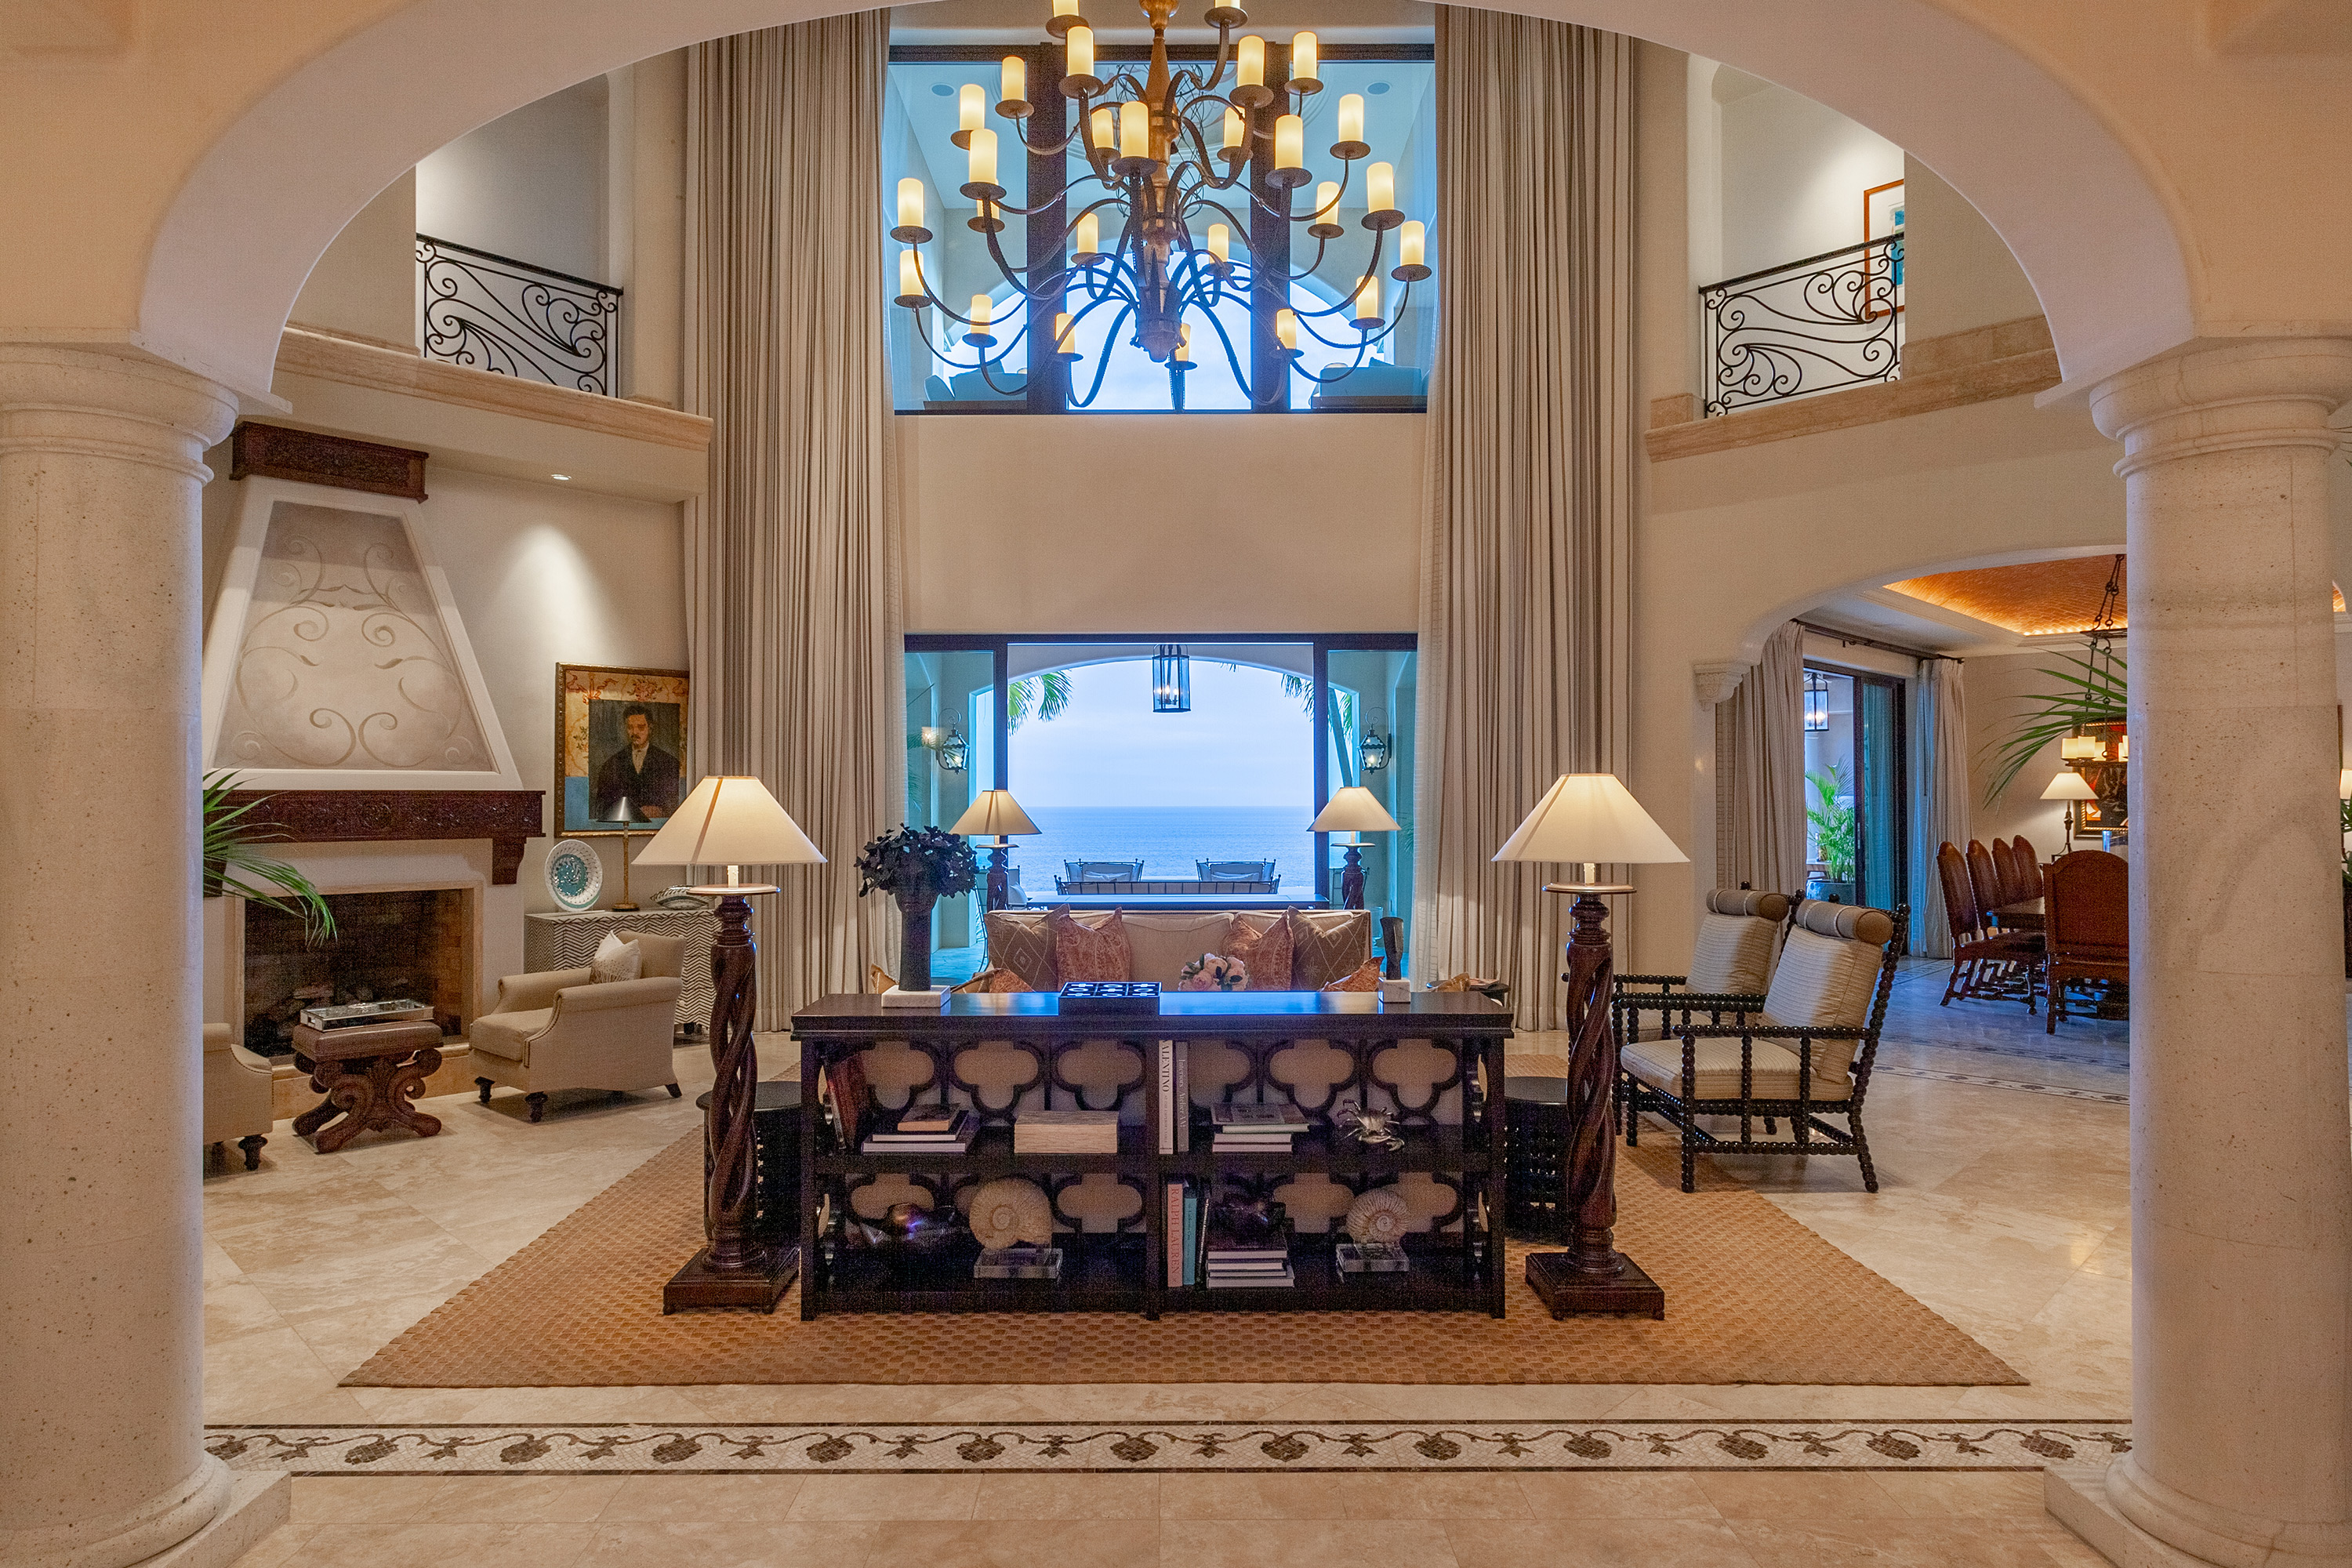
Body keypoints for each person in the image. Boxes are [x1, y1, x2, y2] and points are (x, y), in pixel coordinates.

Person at [590, 704, 681, 820]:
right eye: (630, 727)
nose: (635, 732)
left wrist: (661, 811)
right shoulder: (612, 763)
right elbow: (602, 804)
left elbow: (675, 802)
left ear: (650, 728)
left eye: (641, 727)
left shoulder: (669, 762)